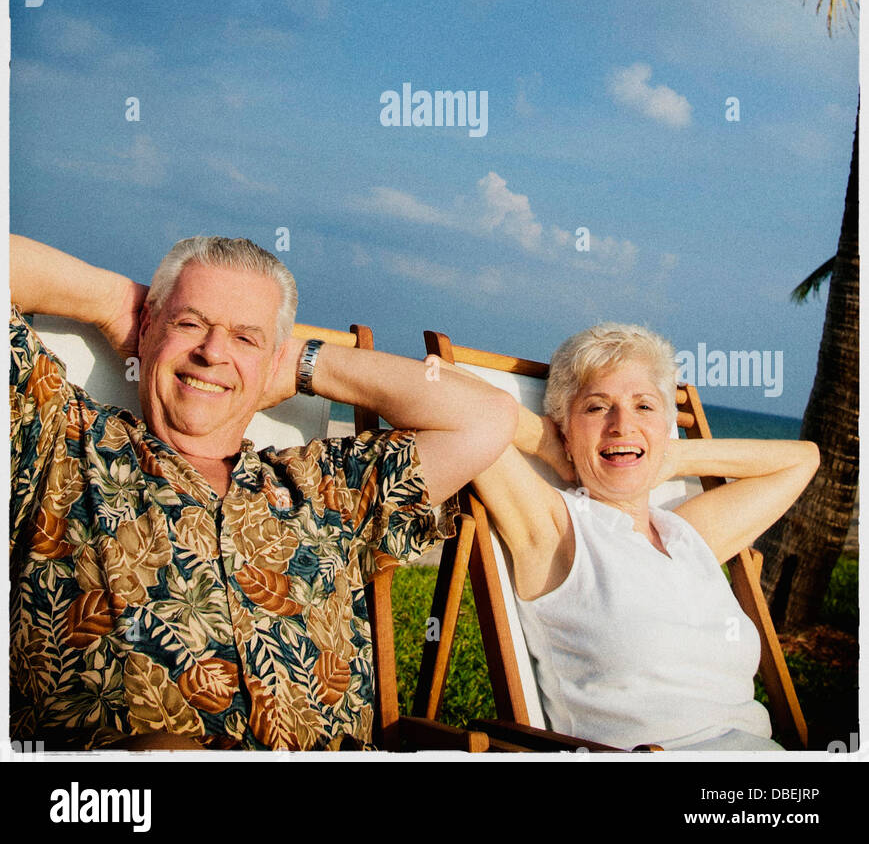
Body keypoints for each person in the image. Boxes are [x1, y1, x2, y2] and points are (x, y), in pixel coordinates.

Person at [9, 234, 517, 751]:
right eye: (189, 324)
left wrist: (303, 361)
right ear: (146, 329)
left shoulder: (325, 488)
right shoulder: (62, 440)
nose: (211, 353)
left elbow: (487, 417)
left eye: (244, 339)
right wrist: (120, 304)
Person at [460, 322, 819, 751]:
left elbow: (804, 459)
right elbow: (451, 393)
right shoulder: (557, 529)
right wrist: (547, 443)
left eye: (644, 407)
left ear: (666, 425)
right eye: (596, 408)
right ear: (563, 428)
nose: (621, 425)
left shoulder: (687, 535)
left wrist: (671, 455)